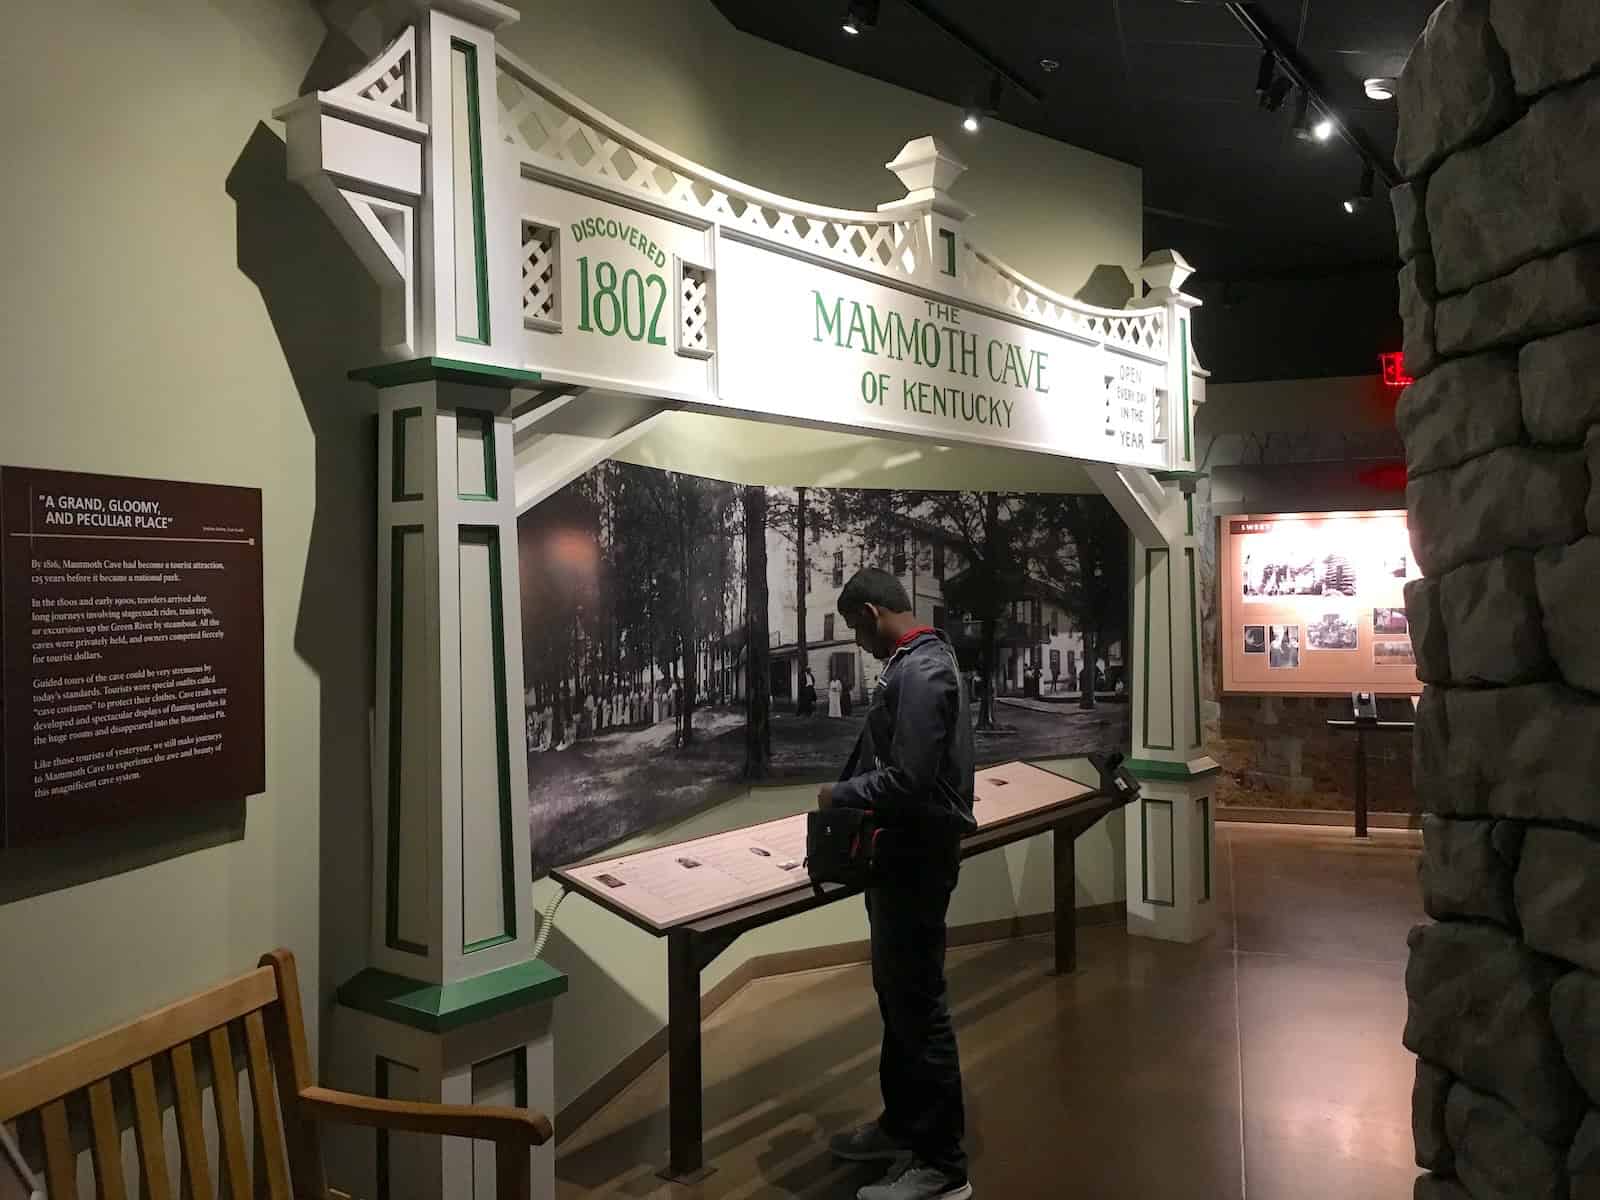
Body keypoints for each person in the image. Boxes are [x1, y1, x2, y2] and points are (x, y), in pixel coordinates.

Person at [818, 568, 975, 1200]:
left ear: (873, 611)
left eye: (857, 629)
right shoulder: (922, 663)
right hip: (904, 857)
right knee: (900, 999)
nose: (858, 643)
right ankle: (903, 1124)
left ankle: (941, 1166)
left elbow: (907, 782)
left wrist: (840, 793)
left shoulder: (920, 671)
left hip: (915, 857)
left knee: (918, 1006)